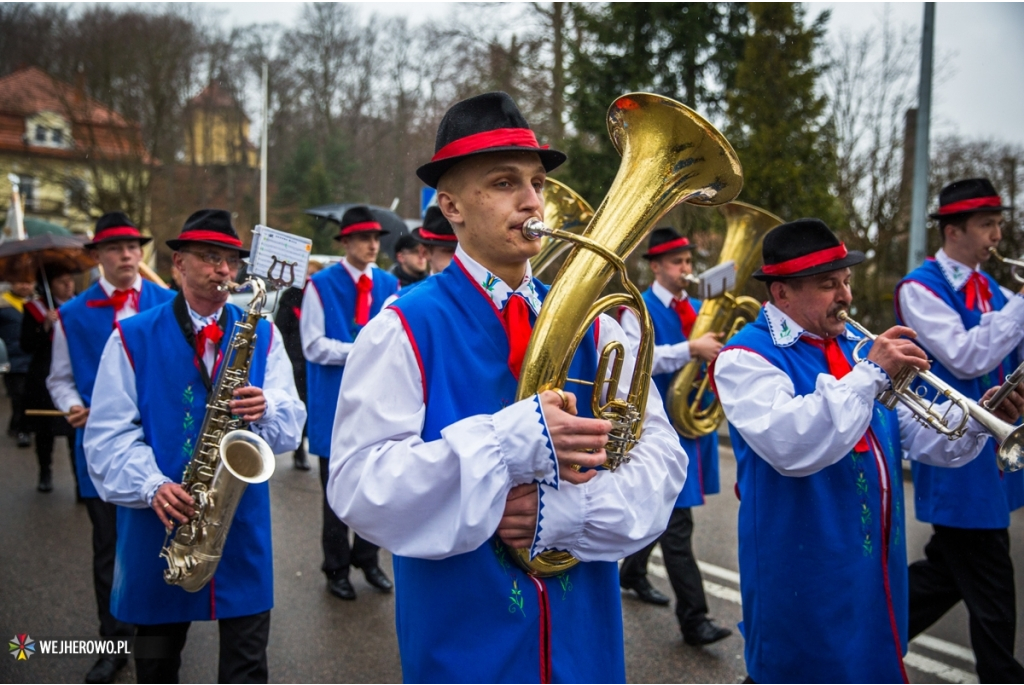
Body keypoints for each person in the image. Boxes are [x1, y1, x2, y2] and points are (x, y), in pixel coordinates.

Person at [327, 91, 688, 682]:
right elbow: (359, 485)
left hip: (586, 648)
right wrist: (504, 443)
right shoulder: (403, 326)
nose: (530, 201)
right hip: (465, 651)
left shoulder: (598, 326)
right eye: (502, 183)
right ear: (451, 207)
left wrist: (573, 512)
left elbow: (661, 459)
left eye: (537, 183)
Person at [711, 218, 1023, 683]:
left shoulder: (854, 347)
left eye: (846, 281)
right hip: (805, 564)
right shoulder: (747, 357)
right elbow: (792, 443)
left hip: (874, 562)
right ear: (782, 295)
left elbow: (914, 437)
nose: (845, 296)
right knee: (800, 666)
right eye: (827, 285)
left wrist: (976, 419)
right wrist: (870, 373)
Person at [83, 209, 305, 683]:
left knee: (247, 667)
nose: (224, 269)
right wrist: (151, 484)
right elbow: (106, 436)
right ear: (178, 265)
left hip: (239, 527)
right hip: (161, 524)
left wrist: (267, 409)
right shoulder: (130, 336)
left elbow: (291, 426)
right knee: (157, 665)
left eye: (229, 259)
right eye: (210, 257)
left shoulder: (263, 334)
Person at [895, 178, 1024, 682]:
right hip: (950, 444)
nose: (997, 235)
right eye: (988, 225)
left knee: (948, 573)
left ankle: (860, 633)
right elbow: (967, 356)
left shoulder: (993, 288)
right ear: (954, 231)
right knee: (991, 577)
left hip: (991, 448)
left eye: (997, 224)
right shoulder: (918, 289)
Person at [46, 211, 174, 684]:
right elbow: (58, 377)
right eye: (117, 248)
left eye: (133, 247)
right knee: (110, 552)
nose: (128, 256)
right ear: (96, 256)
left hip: (165, 451)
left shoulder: (169, 301)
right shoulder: (72, 315)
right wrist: (71, 403)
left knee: (164, 546)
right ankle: (114, 644)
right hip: (103, 455)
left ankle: (162, 639)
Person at [617, 227, 731, 646]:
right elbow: (635, 364)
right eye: (677, 263)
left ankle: (631, 571)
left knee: (668, 513)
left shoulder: (699, 307)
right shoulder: (635, 309)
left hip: (690, 424)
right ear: (656, 267)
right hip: (656, 424)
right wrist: (690, 350)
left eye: (688, 262)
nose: (686, 270)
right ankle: (695, 619)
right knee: (678, 524)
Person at [301, 206, 399, 600]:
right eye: (363, 238)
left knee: (379, 486)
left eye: (376, 238)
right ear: (344, 242)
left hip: (380, 399)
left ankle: (368, 558)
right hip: (335, 400)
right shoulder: (320, 285)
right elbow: (313, 345)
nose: (373, 245)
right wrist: (361, 348)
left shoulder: (390, 282)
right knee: (334, 492)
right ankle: (336, 567)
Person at [21, 265, 78, 493]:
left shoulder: (80, 307)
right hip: (43, 377)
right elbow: (26, 345)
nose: (68, 285)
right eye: (61, 281)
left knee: (76, 430)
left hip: (73, 375)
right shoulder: (35, 309)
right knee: (45, 430)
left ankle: (79, 483)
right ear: (49, 285)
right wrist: (44, 326)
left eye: (70, 280)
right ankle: (45, 471)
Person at [273, 259, 323, 471]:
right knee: (300, 401)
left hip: (314, 361)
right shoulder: (291, 297)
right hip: (296, 358)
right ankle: (299, 449)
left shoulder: (320, 297)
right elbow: (281, 327)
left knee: (314, 404)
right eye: (307, 274)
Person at [0, 278, 35, 447]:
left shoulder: (37, 305)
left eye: (28, 282)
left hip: (33, 358)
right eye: (21, 281)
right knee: (18, 395)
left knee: (30, 395)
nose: (25, 285)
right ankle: (23, 430)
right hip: (12, 359)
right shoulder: (3, 304)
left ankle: (18, 425)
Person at [412, 204, 458, 276]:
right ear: (424, 252)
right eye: (449, 250)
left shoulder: (479, 285)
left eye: (464, 252)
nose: (459, 258)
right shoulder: (419, 287)